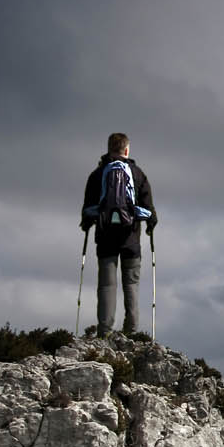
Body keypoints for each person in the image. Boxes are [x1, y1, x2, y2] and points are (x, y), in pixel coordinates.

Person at [80, 132, 157, 336]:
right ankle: (131, 331)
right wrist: (150, 225)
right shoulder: (138, 174)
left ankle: (104, 331)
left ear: (108, 149)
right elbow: (149, 209)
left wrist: (86, 224)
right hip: (131, 238)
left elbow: (88, 208)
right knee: (131, 284)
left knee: (107, 284)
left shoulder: (97, 174)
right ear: (126, 150)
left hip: (105, 237)